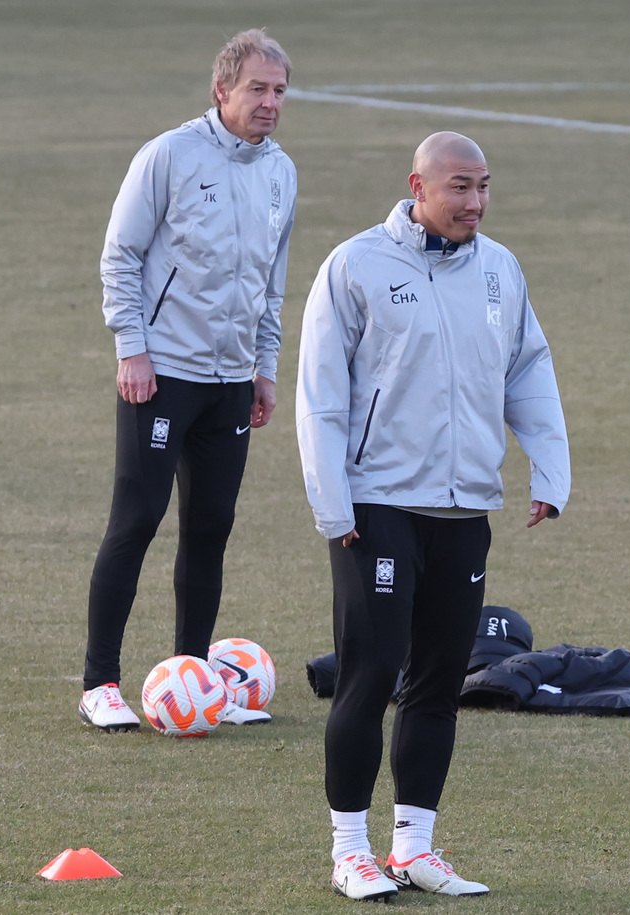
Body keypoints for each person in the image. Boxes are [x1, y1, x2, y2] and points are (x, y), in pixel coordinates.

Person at [296, 131, 571, 902]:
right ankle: (350, 847)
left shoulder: (500, 270)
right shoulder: (355, 266)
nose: (475, 202)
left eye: (484, 187)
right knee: (370, 672)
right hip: (376, 506)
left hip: (464, 507)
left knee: (440, 679)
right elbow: (320, 393)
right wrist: (333, 502)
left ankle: (414, 845)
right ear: (416, 185)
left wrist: (549, 469)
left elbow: (528, 367)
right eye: (459, 187)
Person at [79, 28, 296, 732]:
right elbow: (121, 256)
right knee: (137, 519)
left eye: (279, 91)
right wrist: (132, 349)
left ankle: (197, 680)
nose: (269, 103)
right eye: (257, 89)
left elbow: (272, 284)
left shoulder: (281, 173)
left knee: (211, 526)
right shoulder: (169, 156)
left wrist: (264, 368)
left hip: (232, 380)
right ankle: (100, 683)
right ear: (221, 90)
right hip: (163, 372)